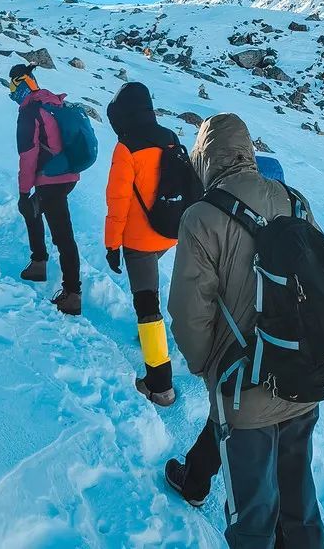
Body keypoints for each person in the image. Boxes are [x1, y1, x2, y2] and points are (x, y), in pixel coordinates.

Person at [166, 113, 324, 549]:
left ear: (205, 158)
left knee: (252, 515)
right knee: (300, 506)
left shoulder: (202, 216)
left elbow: (188, 312)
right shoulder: (294, 200)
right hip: (302, 377)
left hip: (244, 389)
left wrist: (207, 369)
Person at [104, 82, 179, 407]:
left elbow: (117, 201)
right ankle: (151, 336)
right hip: (171, 231)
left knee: (147, 305)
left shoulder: (126, 147)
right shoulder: (170, 137)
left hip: (139, 240)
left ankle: (160, 385)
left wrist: (112, 245)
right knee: (150, 291)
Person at [9, 63, 82, 316]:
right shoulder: (52, 103)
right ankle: (38, 263)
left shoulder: (30, 112)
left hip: (51, 178)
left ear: (19, 85)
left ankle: (72, 294)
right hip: (67, 174)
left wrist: (22, 192)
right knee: (33, 210)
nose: (11, 91)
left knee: (62, 234)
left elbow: (28, 156)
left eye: (12, 85)